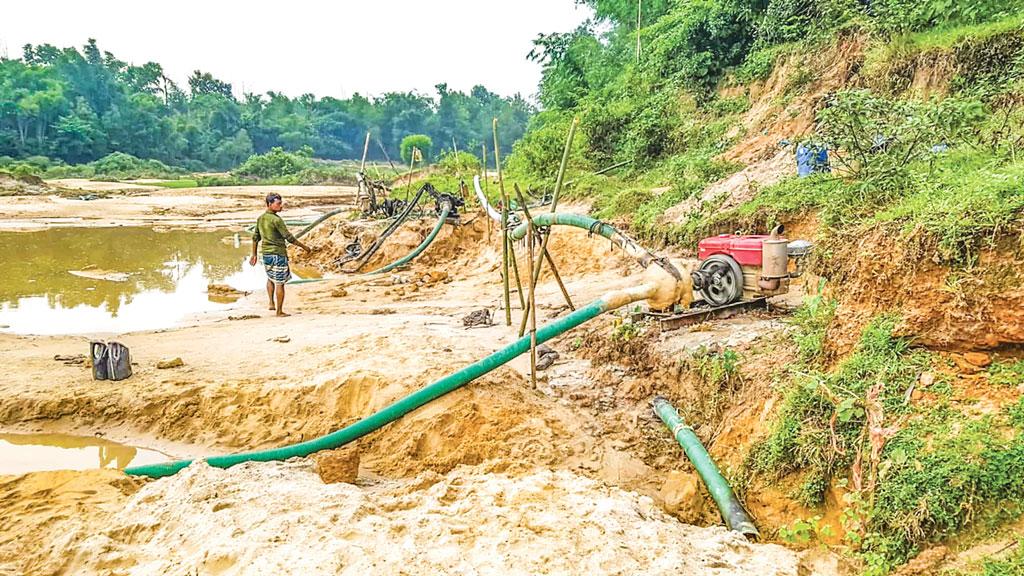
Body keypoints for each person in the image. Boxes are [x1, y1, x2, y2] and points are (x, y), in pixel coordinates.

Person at [249, 193, 313, 316]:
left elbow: (255, 237)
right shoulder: (276, 220)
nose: (281, 206)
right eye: (278, 204)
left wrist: (254, 254)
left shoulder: (261, 218)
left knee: (270, 278)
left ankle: (271, 303)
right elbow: (289, 237)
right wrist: (305, 247)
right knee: (279, 282)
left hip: (266, 254)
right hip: (278, 254)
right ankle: (279, 311)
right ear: (269, 204)